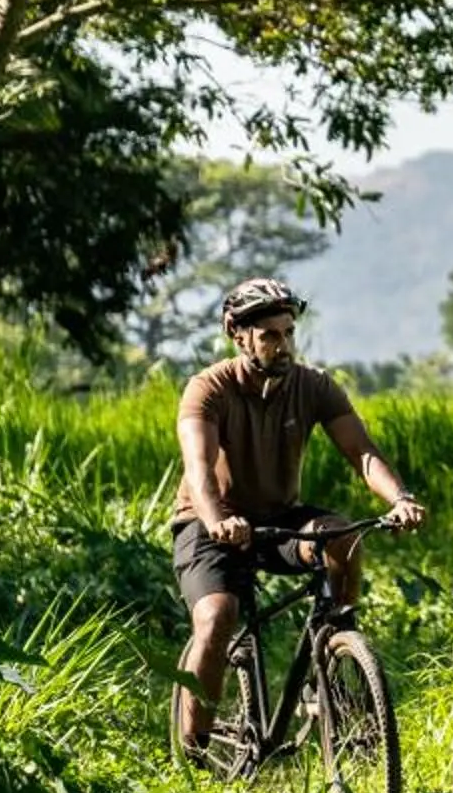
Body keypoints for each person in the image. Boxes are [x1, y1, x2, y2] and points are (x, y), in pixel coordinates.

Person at [171, 277, 426, 754]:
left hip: (278, 519)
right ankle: (195, 746)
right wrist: (218, 519)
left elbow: (362, 453)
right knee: (217, 616)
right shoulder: (207, 389)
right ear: (237, 333)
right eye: (270, 335)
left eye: (289, 333)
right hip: (208, 523)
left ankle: (333, 655)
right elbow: (199, 470)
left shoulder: (313, 386)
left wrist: (400, 499)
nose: (284, 345)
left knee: (342, 536)